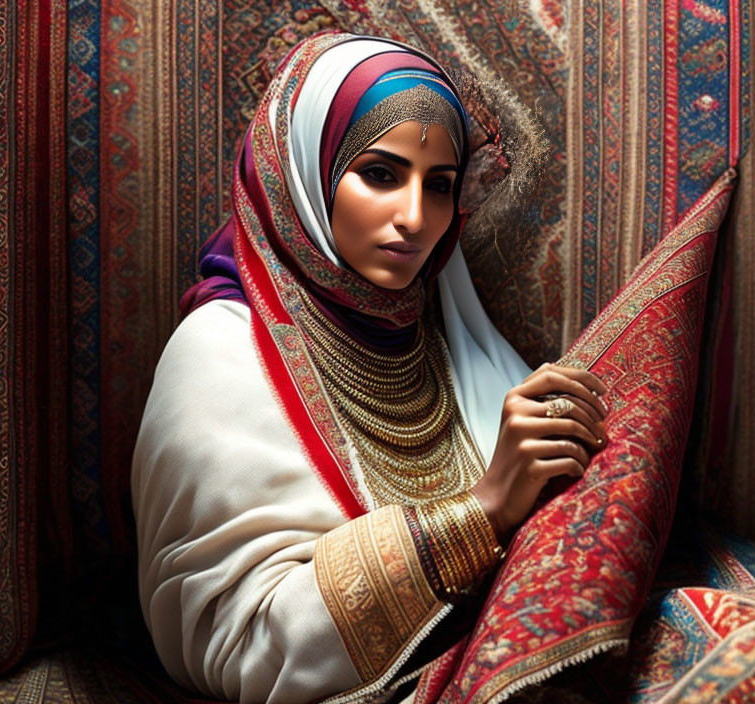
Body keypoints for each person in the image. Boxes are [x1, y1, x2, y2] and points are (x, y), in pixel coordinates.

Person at [132, 31, 609, 704]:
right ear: (304, 172)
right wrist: (482, 512)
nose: (415, 218)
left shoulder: (444, 340)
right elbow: (240, 648)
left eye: (438, 186)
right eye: (380, 174)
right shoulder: (217, 358)